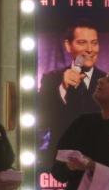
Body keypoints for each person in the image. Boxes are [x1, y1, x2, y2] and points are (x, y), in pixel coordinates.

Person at [38, 21, 105, 166]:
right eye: (82, 42)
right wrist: (63, 88)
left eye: (94, 43)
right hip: (59, 162)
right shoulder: (51, 79)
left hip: (99, 162)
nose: (90, 49)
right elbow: (42, 121)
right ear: (68, 46)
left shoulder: (108, 81)